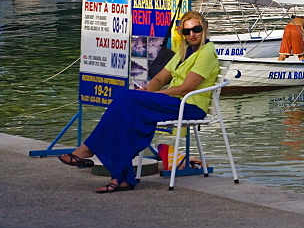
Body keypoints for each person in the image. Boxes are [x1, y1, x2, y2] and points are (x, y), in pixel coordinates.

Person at [57, 11, 220, 193]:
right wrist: (148, 91)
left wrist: (156, 95)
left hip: (189, 106)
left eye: (196, 29)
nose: (192, 34)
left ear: (204, 28)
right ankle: (120, 178)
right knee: (125, 115)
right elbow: (159, 79)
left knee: (125, 99)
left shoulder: (206, 54)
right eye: (186, 31)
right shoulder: (184, 52)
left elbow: (186, 88)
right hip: (172, 102)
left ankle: (89, 150)